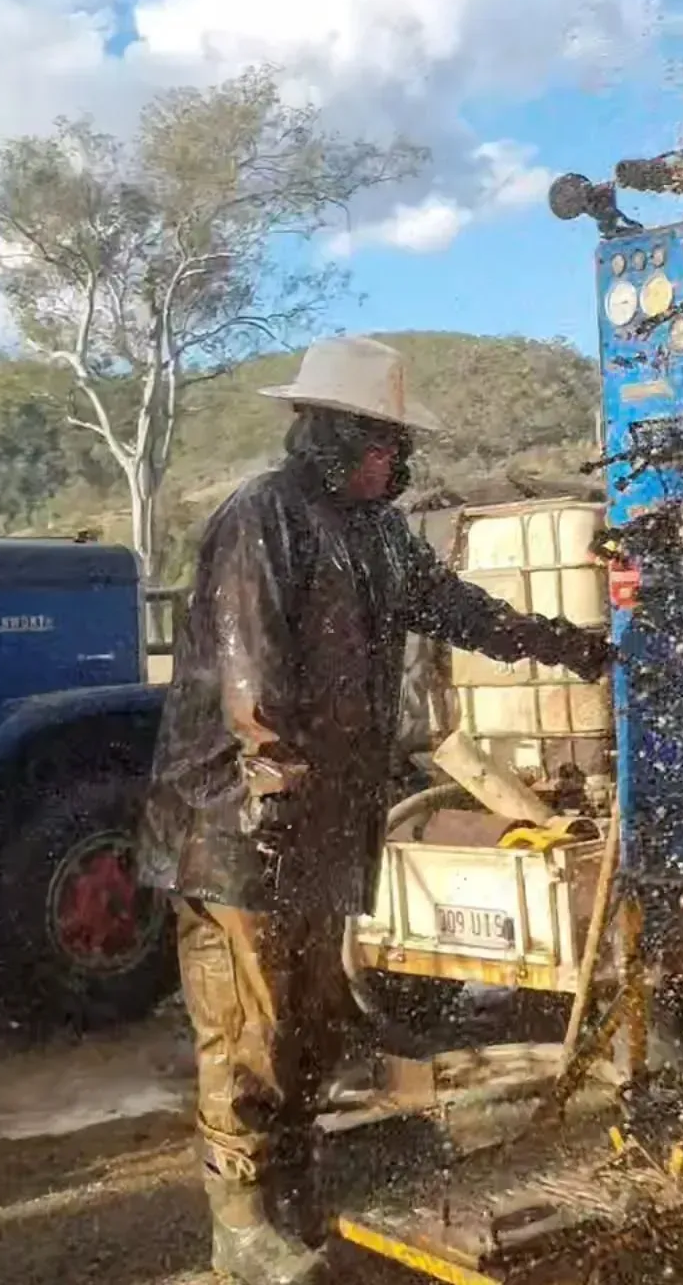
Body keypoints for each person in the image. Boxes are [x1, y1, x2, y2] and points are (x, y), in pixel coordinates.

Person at [139, 337, 613, 1285]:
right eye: (385, 443)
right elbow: (251, 677)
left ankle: (292, 1196)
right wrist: (272, 786)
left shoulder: (380, 536)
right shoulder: (261, 519)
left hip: (322, 827)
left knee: (312, 1028)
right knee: (250, 1030)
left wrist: (571, 644)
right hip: (237, 827)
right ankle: (242, 1225)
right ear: (333, 435)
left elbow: (462, 611)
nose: (398, 461)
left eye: (398, 446)